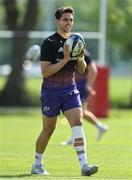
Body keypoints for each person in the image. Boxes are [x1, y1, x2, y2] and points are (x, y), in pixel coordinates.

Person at [31, 7, 98, 176]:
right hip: (50, 92)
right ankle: (37, 163)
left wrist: (80, 57)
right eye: (65, 19)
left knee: (78, 123)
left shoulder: (77, 40)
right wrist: (66, 59)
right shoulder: (49, 42)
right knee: (48, 130)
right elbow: (45, 71)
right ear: (58, 21)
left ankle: (84, 165)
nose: (69, 23)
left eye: (71, 20)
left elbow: (82, 70)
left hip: (70, 89)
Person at [61, 51, 108, 145]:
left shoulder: (84, 54)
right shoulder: (70, 53)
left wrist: (88, 85)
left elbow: (93, 70)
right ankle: (100, 127)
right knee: (80, 112)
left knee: (78, 112)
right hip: (76, 85)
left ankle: (76, 136)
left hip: (82, 86)